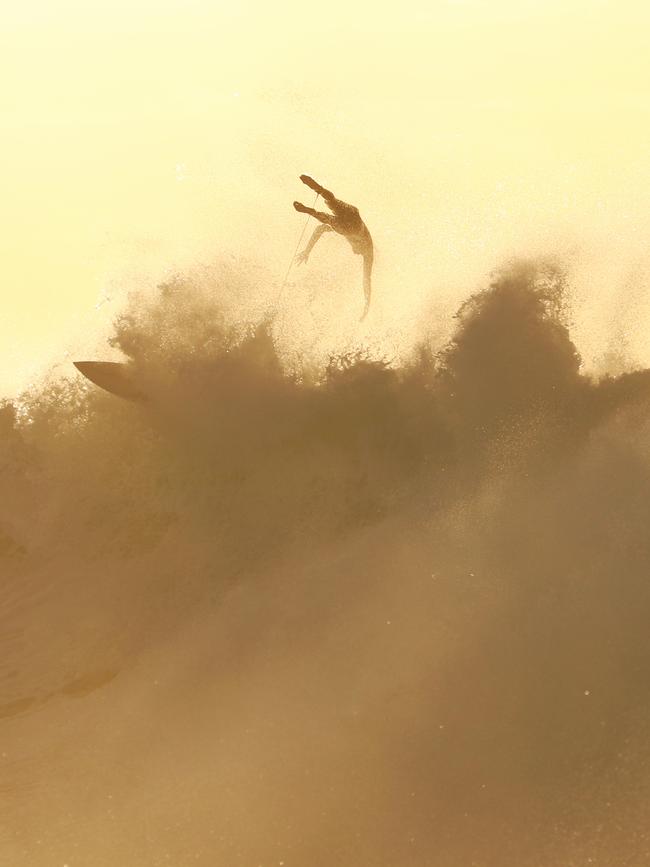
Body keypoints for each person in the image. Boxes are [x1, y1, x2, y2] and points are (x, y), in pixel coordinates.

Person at [293, 175, 373, 320]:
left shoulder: (357, 241)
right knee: (334, 223)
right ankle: (312, 211)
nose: (355, 253)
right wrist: (367, 303)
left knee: (333, 203)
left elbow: (319, 229)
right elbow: (366, 278)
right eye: (356, 252)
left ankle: (320, 191)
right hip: (354, 226)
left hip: (353, 212)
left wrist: (307, 250)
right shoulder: (368, 251)